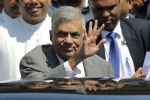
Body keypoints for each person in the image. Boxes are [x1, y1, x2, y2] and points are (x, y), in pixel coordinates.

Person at [20, 6, 114, 80]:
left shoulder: (103, 67)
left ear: (83, 36)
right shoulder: (33, 61)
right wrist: (76, 59)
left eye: (74, 35)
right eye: (62, 34)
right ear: (51, 36)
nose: (68, 41)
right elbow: (38, 91)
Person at [88, 0, 150, 78]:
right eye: (99, 9)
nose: (105, 14)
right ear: (90, 6)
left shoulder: (142, 30)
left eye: (111, 8)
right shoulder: (81, 37)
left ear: (120, 4)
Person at [0, 0, 52, 81]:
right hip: (8, 93)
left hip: (50, 93)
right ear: (17, 2)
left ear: (49, 0)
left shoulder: (62, 33)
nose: (34, 1)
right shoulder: (2, 31)